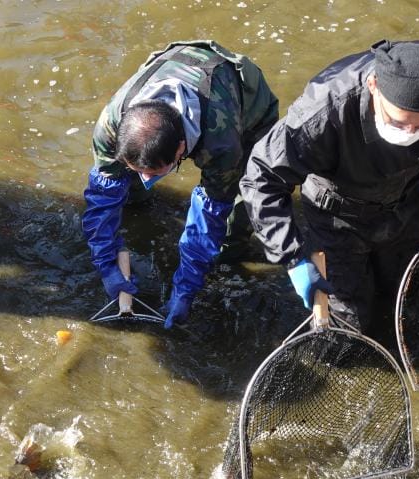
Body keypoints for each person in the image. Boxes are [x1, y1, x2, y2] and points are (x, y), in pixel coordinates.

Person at [240, 40, 419, 341]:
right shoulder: (324, 111)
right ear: (373, 85)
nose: (408, 133)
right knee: (349, 323)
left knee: (405, 292)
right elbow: (261, 178)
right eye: (398, 122)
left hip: (405, 200)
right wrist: (291, 256)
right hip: (338, 213)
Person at [82, 41, 278, 329]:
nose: (147, 178)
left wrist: (186, 287)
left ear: (182, 149)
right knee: (124, 193)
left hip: (244, 108)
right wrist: (106, 263)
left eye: (156, 171)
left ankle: (229, 249)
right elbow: (101, 199)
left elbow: (209, 216)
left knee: (231, 229)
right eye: (139, 170)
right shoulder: (111, 125)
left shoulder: (220, 141)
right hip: (171, 75)